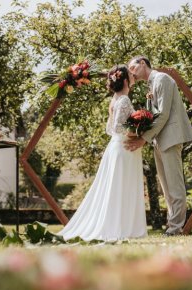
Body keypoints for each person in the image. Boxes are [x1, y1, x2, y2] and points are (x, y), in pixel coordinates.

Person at [58, 65, 147, 241]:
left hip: (117, 147)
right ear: (125, 79)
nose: (133, 75)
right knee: (121, 189)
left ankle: (122, 227)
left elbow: (109, 129)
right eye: (130, 74)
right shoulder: (124, 100)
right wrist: (140, 132)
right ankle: (120, 228)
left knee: (118, 189)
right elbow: (118, 128)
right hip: (124, 148)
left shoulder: (115, 99)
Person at [126, 56, 192, 236]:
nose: (131, 72)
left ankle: (175, 228)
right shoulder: (151, 84)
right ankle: (172, 226)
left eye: (132, 67)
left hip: (170, 138)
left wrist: (144, 139)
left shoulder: (162, 79)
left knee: (175, 186)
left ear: (143, 63)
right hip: (159, 140)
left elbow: (163, 114)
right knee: (166, 188)